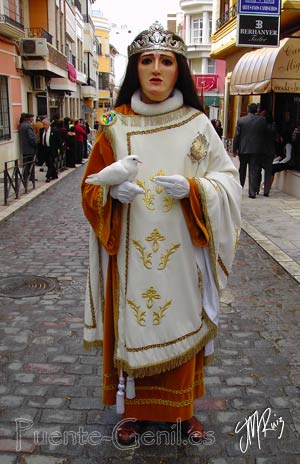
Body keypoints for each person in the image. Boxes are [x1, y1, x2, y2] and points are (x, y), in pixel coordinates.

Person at [81, 21, 242, 446]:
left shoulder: (198, 124)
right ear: (135, 69)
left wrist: (195, 191)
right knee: (133, 328)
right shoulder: (115, 124)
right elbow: (89, 186)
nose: (156, 69)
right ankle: (131, 410)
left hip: (183, 253)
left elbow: (228, 181)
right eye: (147, 61)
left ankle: (183, 409)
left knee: (184, 322)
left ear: (178, 71)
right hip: (130, 257)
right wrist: (111, 192)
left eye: (166, 61)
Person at [232, 102, 267, 198]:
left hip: (243, 149)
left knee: (242, 169)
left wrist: (234, 149)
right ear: (257, 110)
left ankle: (240, 188)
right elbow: (265, 135)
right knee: (254, 170)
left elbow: (237, 136)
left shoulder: (241, 120)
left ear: (248, 109)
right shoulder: (262, 120)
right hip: (256, 149)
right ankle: (252, 192)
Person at [255, 110, 278, 197]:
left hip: (259, 151)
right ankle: (266, 191)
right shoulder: (273, 126)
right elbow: (275, 136)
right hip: (269, 151)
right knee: (268, 172)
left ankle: (256, 189)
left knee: (258, 170)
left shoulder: (258, 125)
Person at [19, 113, 37, 185]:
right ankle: (30, 177)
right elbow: (31, 138)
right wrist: (35, 145)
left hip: (25, 148)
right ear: (29, 118)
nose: (33, 119)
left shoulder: (22, 125)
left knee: (25, 163)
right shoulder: (28, 126)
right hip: (30, 148)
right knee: (30, 163)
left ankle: (26, 176)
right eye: (32, 118)